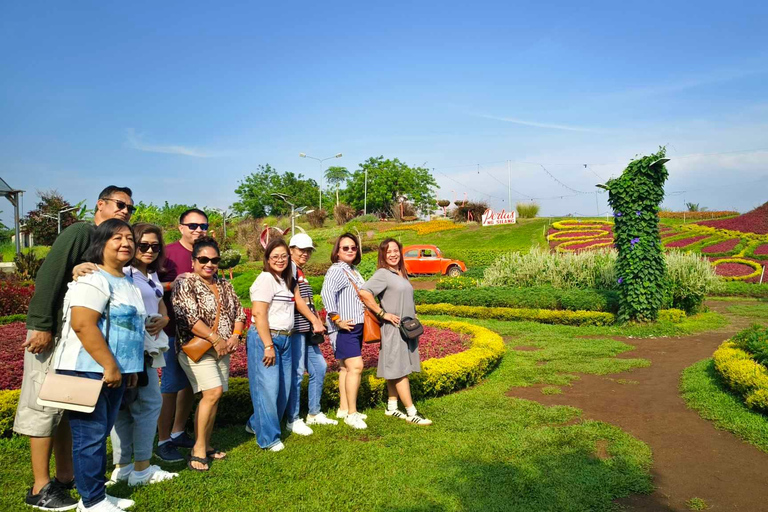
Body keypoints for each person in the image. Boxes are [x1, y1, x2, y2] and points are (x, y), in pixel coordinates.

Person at [14, 186, 134, 511]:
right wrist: (40, 323)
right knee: (43, 410)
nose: (125, 211)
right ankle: (41, 488)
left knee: (67, 408)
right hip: (51, 336)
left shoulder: (103, 243)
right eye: (120, 205)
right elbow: (50, 273)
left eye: (130, 209)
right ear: (101, 204)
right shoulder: (82, 231)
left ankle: (66, 477)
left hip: (75, 344)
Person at [53, 219, 145, 511]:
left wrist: (129, 369)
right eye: (116, 238)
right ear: (100, 243)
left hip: (114, 371)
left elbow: (128, 330)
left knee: (100, 434)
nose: (125, 243)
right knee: (89, 437)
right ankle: (91, 502)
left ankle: (96, 494)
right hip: (89, 369)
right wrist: (110, 365)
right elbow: (83, 325)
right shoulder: (93, 278)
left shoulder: (126, 280)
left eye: (129, 238)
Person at [108, 224, 178, 486]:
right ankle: (141, 469)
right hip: (133, 349)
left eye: (155, 246)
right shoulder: (124, 273)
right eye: (143, 245)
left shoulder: (148, 274)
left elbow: (158, 299)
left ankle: (124, 466)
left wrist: (165, 317)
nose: (149, 250)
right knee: (147, 406)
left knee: (125, 408)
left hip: (146, 347)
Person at [172, 236, 245, 471]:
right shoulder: (185, 282)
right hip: (198, 348)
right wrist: (215, 339)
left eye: (214, 260)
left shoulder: (225, 284)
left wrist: (234, 336)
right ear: (193, 260)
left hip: (224, 348)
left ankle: (206, 442)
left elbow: (240, 313)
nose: (209, 264)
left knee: (215, 395)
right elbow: (188, 318)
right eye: (203, 259)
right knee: (212, 392)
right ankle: (198, 449)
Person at [360, 238, 432, 425]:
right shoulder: (383, 274)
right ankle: (411, 411)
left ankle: (392, 407)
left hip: (407, 328)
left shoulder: (400, 273)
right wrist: (382, 313)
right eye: (388, 251)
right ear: (383, 255)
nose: (392, 254)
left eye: (395, 250)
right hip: (394, 328)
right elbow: (364, 292)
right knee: (400, 370)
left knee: (395, 367)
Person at [155, 208, 209, 462]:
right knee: (171, 386)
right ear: (181, 227)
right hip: (172, 332)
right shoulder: (167, 254)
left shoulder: (206, 253)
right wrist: (173, 284)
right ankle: (163, 439)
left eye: (203, 226)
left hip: (198, 335)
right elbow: (148, 285)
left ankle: (178, 432)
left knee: (189, 384)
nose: (198, 230)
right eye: (193, 225)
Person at [246, 239, 296, 451]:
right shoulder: (266, 278)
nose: (280, 260)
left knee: (282, 389)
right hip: (267, 339)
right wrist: (268, 345)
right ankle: (268, 438)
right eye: (275, 256)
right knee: (268, 388)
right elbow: (258, 312)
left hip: (285, 338)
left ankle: (255, 423)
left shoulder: (282, 281)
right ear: (267, 259)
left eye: (284, 256)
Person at [285, 234, 336, 437]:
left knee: (319, 367)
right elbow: (296, 300)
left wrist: (315, 318)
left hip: (306, 329)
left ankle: (314, 412)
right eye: (301, 250)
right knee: (297, 374)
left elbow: (306, 299)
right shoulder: (289, 267)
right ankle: (293, 419)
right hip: (296, 329)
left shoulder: (298, 269)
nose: (305, 253)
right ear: (291, 249)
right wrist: (314, 320)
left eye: (308, 250)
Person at [320, 233, 368, 430]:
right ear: (337, 252)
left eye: (353, 247)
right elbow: (326, 293)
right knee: (356, 367)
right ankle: (352, 414)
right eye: (345, 248)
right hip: (345, 327)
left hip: (354, 325)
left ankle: (343, 408)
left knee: (345, 369)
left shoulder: (352, 270)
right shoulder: (337, 270)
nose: (350, 250)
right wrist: (336, 319)